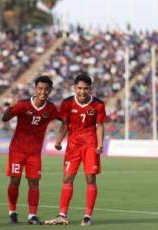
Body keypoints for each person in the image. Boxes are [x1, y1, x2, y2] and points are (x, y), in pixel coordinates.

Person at [44, 74, 106, 226]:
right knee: (67, 178)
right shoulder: (67, 103)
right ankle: (62, 215)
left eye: (85, 89)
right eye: (79, 88)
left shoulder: (98, 105)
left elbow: (100, 125)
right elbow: (64, 124)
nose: (82, 91)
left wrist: (99, 144)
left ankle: (87, 216)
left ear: (90, 89)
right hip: (73, 146)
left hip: (90, 144)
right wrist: (58, 141)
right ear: (74, 88)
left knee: (90, 179)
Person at [1, 75, 59, 225]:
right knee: (15, 180)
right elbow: (5, 118)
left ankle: (32, 215)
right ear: (35, 89)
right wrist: (9, 107)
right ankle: (12, 212)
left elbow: (65, 119)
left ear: (50, 91)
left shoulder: (51, 108)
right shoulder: (22, 105)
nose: (43, 92)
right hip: (17, 150)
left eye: (46, 89)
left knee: (34, 183)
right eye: (40, 88)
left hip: (35, 152)